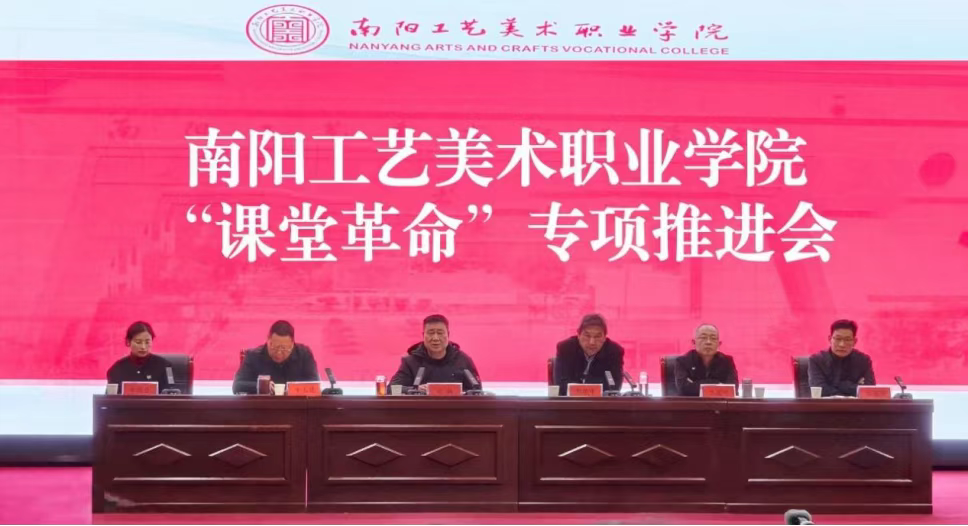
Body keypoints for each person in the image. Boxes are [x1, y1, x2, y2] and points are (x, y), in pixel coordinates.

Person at [389, 314, 482, 391]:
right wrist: (414, 390)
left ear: (448, 335)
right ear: (423, 335)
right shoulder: (411, 361)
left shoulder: (463, 360)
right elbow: (391, 389)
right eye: (431, 333)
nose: (435, 338)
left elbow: (477, 392)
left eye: (440, 333)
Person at [233, 320, 320, 395]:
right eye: (274, 347)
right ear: (268, 340)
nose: (278, 353)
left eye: (284, 348)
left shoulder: (304, 355)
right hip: (262, 407)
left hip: (296, 407)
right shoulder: (253, 356)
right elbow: (237, 386)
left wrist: (292, 389)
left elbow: (315, 385)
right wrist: (261, 386)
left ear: (292, 344)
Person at [554, 313, 624, 394]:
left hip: (600, 401)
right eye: (587, 336)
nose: (592, 342)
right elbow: (561, 384)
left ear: (605, 337)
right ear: (578, 335)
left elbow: (614, 386)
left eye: (597, 337)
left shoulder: (614, 352)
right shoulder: (566, 348)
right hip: (571, 400)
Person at [808, 319, 876, 397]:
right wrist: (851, 387)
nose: (842, 344)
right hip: (827, 404)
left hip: (855, 405)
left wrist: (838, 385)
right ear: (830, 339)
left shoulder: (863, 361)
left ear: (855, 341)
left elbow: (869, 391)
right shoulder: (817, 360)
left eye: (847, 340)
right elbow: (820, 390)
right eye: (838, 339)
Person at [674, 323, 738, 396]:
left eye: (713, 338)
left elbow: (733, 389)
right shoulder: (682, 361)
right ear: (694, 342)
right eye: (703, 338)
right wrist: (717, 383)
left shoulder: (727, 361)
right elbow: (683, 389)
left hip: (718, 403)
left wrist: (696, 385)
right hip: (692, 403)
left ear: (719, 344)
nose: (708, 342)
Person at [107, 321, 172, 391]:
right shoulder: (117, 369)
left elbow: (170, 393)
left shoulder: (164, 366)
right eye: (138, 342)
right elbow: (110, 396)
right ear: (128, 342)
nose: (143, 347)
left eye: (147, 342)